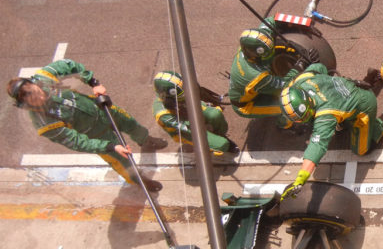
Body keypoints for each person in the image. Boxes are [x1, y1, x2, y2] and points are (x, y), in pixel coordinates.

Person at [8, 59, 167, 192]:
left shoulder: (44, 76)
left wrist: (94, 83)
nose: (41, 97)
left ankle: (145, 140)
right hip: (97, 136)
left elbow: (71, 66)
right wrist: (111, 147)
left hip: (102, 109)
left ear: (34, 83)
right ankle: (140, 180)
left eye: (38, 91)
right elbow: (78, 142)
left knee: (132, 125)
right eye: (34, 99)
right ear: (24, 104)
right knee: (123, 162)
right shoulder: (44, 124)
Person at [279, 62, 383, 198]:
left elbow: (317, 146)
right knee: (340, 121)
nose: (298, 121)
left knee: (362, 150)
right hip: (349, 86)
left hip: (365, 105)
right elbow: (319, 67)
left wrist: (300, 180)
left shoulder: (326, 113)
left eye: (299, 118)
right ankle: (370, 79)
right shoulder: (302, 80)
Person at [152, 70, 239, 156]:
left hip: (187, 112)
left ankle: (220, 134)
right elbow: (188, 127)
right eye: (182, 95)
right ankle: (219, 145)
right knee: (222, 144)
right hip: (183, 130)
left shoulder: (177, 95)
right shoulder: (163, 115)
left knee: (215, 114)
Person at [228, 21, 295, 127]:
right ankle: (284, 125)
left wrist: (293, 24)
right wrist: (299, 66)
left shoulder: (250, 45)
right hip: (247, 105)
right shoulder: (256, 77)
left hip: (251, 88)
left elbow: (270, 21)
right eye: (265, 56)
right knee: (290, 106)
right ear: (254, 55)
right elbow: (287, 85)